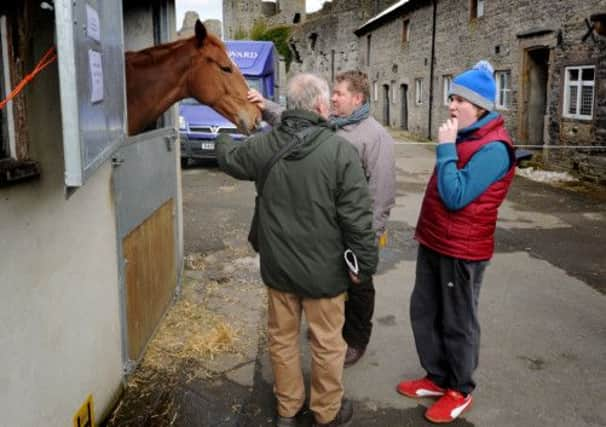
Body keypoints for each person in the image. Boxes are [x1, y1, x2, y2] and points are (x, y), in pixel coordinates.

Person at [216, 73, 378, 427]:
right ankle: (326, 412)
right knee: (327, 344)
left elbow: (228, 158)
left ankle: (288, 409)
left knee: (282, 339)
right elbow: (357, 220)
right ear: (320, 106)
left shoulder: (265, 146)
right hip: (325, 275)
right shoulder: (340, 152)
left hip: (279, 270)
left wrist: (225, 132)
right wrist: (364, 266)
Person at [249, 70, 396, 367]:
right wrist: (262, 104)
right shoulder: (328, 123)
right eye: (332, 93)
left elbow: (381, 192)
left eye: (339, 93)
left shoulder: (375, 136)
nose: (334, 98)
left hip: (358, 227)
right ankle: (330, 331)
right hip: (328, 226)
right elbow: (291, 116)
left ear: (358, 98)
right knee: (331, 281)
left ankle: (355, 339)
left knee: (359, 286)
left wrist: (368, 237)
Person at [396, 61, 516, 424]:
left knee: (458, 321)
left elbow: (455, 196)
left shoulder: (495, 148)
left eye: (459, 99)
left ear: (480, 107)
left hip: (462, 250)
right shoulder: (465, 137)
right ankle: (436, 377)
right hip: (435, 240)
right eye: (451, 97)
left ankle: (459, 389)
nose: (451, 105)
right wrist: (451, 146)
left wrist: (445, 148)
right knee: (425, 312)